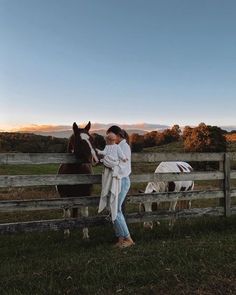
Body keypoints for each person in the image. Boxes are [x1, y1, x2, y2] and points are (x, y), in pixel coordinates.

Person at [104, 125, 135, 248]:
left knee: (116, 210)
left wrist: (108, 163)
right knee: (114, 210)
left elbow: (123, 167)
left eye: (111, 136)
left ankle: (129, 239)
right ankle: (121, 239)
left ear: (118, 135)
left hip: (122, 181)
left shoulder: (125, 147)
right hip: (117, 181)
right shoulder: (117, 147)